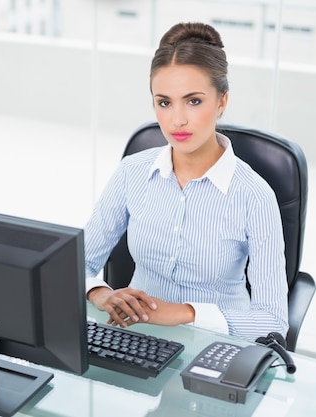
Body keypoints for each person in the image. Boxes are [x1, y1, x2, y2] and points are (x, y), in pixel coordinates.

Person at [84, 22, 288, 342]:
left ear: (222, 101)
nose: (177, 119)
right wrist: (99, 293)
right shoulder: (132, 173)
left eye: (193, 101)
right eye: (164, 102)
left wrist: (183, 313)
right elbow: (77, 264)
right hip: (136, 334)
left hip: (218, 343)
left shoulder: (254, 195)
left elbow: (272, 321)